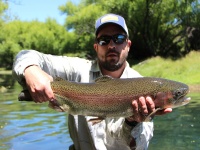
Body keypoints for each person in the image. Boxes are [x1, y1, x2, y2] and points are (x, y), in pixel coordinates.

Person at [12, 13, 172, 150]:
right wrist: (31, 70)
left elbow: (138, 146)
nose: (111, 45)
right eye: (104, 40)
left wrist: (132, 122)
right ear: (96, 47)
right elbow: (25, 55)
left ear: (128, 45)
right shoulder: (76, 69)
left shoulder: (142, 86)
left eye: (119, 38)